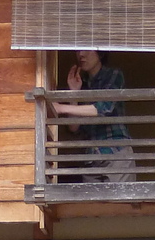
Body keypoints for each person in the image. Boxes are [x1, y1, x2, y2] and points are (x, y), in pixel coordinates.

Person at [50, 50, 135, 183]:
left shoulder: (113, 75)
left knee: (121, 203)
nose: (81, 54)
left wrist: (61, 108)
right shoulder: (82, 83)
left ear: (100, 52)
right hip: (91, 157)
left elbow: (104, 108)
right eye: (78, 50)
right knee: (92, 204)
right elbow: (73, 127)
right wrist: (74, 93)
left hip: (116, 152)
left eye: (87, 49)